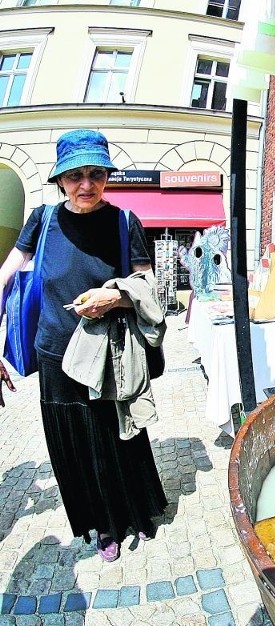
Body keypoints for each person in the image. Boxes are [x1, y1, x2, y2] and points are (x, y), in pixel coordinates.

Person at [0, 129, 167, 561]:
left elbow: (147, 281)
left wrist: (119, 295)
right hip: (54, 354)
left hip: (107, 353)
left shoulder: (123, 221)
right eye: (75, 176)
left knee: (117, 435)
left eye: (96, 173)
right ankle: (103, 526)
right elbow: (6, 276)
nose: (87, 185)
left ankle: (136, 511)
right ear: (60, 180)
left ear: (108, 176)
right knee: (73, 443)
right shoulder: (43, 219)